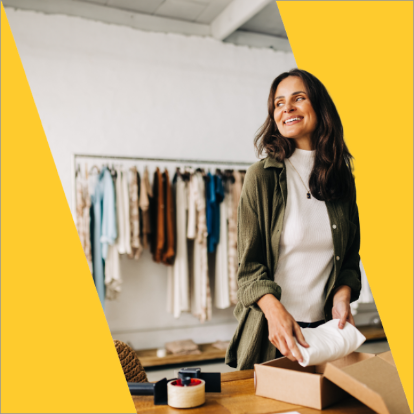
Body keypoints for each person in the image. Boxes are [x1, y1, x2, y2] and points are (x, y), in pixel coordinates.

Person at [225, 69, 361, 370]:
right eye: (278, 103)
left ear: (320, 107)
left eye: (298, 98)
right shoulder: (261, 177)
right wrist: (274, 312)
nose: (286, 108)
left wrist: (342, 294)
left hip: (326, 336)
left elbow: (350, 259)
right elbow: (249, 270)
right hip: (273, 334)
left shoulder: (342, 181)